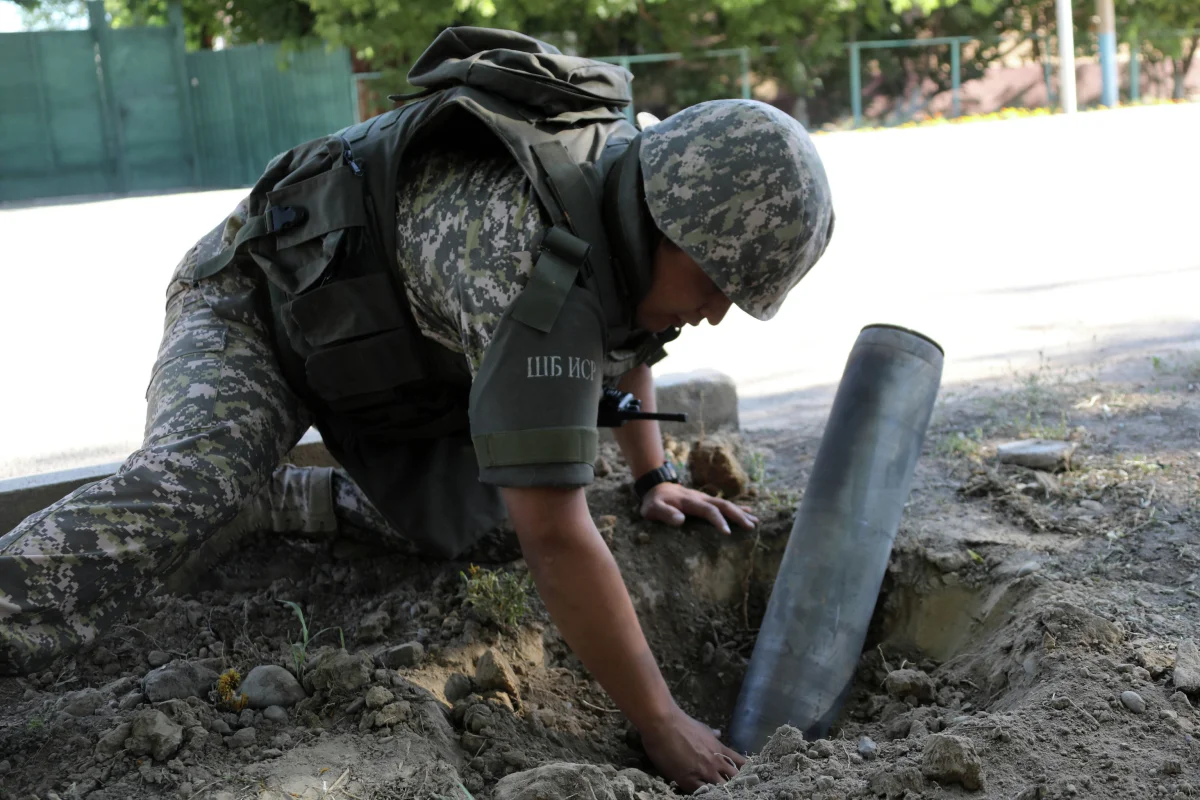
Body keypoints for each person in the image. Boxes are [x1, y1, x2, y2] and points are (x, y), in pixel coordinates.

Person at [0, 28, 834, 792]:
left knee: (487, 521)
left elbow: (632, 334)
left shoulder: (640, 186)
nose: (718, 312)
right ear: (667, 219)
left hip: (391, 355)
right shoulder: (530, 273)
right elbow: (558, 531)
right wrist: (661, 723)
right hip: (252, 306)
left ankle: (292, 497)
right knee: (197, 481)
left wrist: (656, 475)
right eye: (716, 283)